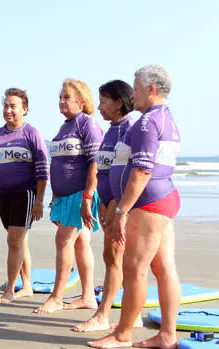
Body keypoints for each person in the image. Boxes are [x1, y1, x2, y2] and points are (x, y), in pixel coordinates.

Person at [87, 65, 181, 349]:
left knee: (134, 268)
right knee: (163, 268)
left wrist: (122, 211)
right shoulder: (167, 118)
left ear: (151, 89)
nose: (133, 93)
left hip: (148, 203)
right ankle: (166, 335)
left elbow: (142, 170)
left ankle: (123, 334)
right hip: (162, 198)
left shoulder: (147, 122)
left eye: (137, 87)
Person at [34, 79, 103, 314]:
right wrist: (55, 197)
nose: (61, 101)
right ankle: (88, 297)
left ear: (81, 101)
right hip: (63, 196)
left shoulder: (88, 125)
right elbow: (60, 164)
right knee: (81, 242)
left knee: (63, 241)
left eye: (67, 97)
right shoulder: (65, 127)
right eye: (60, 97)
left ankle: (56, 297)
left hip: (80, 194)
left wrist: (87, 196)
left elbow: (95, 163)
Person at [73, 80, 136, 332]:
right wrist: (97, 200)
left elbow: (134, 172)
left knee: (115, 257)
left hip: (122, 205)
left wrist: (118, 207)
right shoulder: (111, 130)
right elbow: (104, 169)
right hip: (107, 202)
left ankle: (103, 315)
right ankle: (132, 312)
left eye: (103, 101)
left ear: (119, 101)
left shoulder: (131, 128)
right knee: (117, 258)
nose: (98, 107)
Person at [0, 88, 49, 304]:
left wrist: (39, 200)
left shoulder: (32, 134)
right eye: (6, 106)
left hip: (25, 193)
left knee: (14, 240)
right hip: (3, 195)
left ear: (24, 109)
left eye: (13, 106)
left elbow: (42, 169)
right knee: (19, 242)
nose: (8, 110)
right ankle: (27, 286)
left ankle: (10, 289)